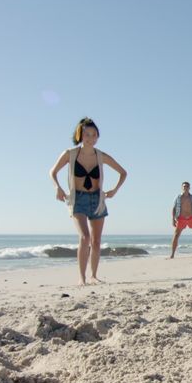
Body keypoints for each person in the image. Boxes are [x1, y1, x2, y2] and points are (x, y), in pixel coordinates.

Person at [48, 117, 127, 285]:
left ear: (97, 137)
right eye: (87, 134)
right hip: (78, 199)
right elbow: (52, 172)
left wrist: (114, 190)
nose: (90, 138)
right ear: (80, 135)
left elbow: (123, 172)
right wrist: (58, 187)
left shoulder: (101, 156)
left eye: (94, 135)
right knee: (84, 237)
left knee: (96, 241)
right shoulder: (70, 154)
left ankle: (94, 276)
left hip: (97, 200)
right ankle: (82, 278)